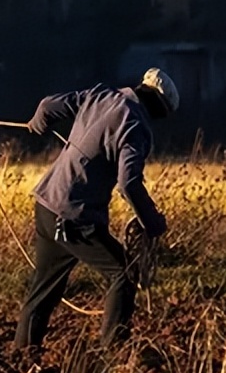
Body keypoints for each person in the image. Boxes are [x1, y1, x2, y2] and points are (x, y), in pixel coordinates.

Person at [13, 68, 178, 350]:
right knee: (124, 272)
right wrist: (153, 223)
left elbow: (47, 106)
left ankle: (21, 357)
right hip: (74, 217)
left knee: (44, 291)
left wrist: (39, 123)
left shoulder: (101, 94)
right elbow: (129, 185)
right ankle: (111, 353)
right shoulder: (136, 126)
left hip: (46, 204)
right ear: (159, 106)